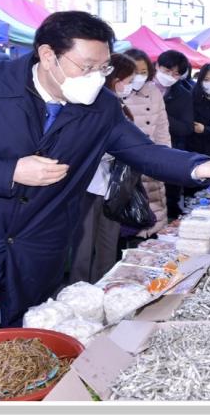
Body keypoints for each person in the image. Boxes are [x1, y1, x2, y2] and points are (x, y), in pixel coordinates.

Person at [0, 11, 210, 350]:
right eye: (86, 67)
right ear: (48, 56)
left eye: (103, 68)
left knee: (20, 355)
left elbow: (144, 151)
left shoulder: (101, 106)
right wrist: (11, 171)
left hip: (35, 255)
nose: (95, 78)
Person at [68, 53, 137, 283]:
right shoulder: (90, 105)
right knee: (83, 247)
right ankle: (77, 291)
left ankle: (104, 287)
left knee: (108, 244)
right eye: (128, 80)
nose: (130, 86)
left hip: (112, 187)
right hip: (88, 186)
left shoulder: (118, 106)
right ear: (116, 79)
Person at [122, 48, 171, 240]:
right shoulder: (118, 90)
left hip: (152, 161)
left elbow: (162, 129)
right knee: (127, 219)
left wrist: (165, 159)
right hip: (125, 165)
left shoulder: (153, 92)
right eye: (134, 72)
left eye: (143, 72)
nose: (138, 76)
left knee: (154, 215)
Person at [153, 49, 194, 219]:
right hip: (142, 148)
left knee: (168, 198)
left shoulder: (184, 95)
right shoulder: (140, 87)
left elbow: (186, 128)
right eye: (167, 70)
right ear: (157, 66)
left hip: (171, 150)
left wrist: (161, 115)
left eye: (176, 74)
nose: (170, 76)